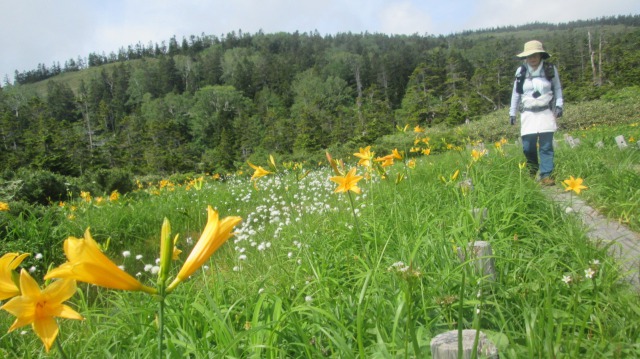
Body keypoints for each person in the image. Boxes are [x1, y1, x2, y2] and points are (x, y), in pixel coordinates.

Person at [509, 40, 563, 186]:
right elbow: (516, 94)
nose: (532, 58)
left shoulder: (550, 69)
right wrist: (512, 113)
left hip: (545, 112)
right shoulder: (521, 72)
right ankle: (533, 171)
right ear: (525, 57)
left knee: (546, 146)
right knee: (528, 147)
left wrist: (559, 105)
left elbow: (557, 88)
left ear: (540, 55)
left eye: (535, 55)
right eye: (529, 56)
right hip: (528, 114)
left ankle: (546, 175)